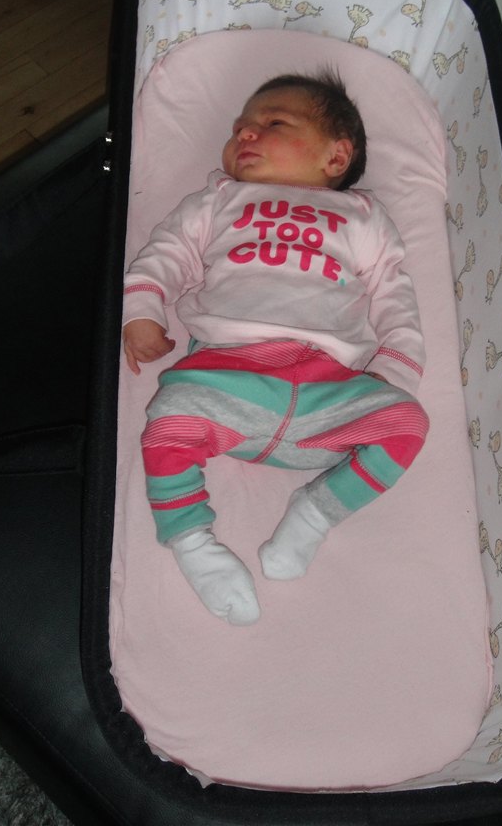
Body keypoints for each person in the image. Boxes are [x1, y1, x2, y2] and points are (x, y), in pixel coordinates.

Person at [122, 71, 429, 625]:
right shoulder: (220, 200)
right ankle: (193, 543)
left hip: (326, 391)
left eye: (273, 123)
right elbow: (165, 253)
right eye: (239, 128)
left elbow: (394, 294)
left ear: (336, 157)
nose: (245, 134)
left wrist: (394, 367)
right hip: (227, 374)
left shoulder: (362, 217)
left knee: (408, 422)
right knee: (167, 421)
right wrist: (142, 310)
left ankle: (313, 514)